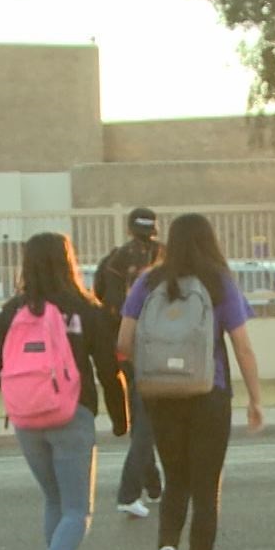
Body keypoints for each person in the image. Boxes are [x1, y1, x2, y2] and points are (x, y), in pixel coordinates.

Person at [0, 233, 129, 550]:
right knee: (77, 509)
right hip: (72, 415)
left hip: (26, 419)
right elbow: (109, 368)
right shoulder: (85, 308)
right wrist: (122, 420)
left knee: (55, 501)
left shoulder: (14, 310)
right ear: (67, 260)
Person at [118, 213, 265, 550]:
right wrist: (255, 398)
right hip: (209, 394)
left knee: (175, 480)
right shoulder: (219, 282)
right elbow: (243, 348)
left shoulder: (148, 283)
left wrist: (154, 374)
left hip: (161, 398)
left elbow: (123, 342)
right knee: (206, 487)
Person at [95, 206, 164, 518]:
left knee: (141, 413)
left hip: (124, 345)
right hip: (160, 346)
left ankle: (153, 484)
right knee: (147, 419)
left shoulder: (116, 259)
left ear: (128, 228)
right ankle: (133, 489)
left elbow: (106, 302)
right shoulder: (167, 257)